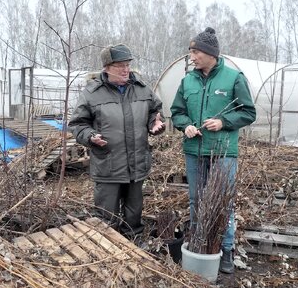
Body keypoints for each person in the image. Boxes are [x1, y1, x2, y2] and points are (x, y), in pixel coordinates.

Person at [170, 27, 256, 274]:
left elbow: (248, 112)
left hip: (223, 152)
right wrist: (185, 125)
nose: (192, 57)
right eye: (191, 52)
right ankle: (199, 244)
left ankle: (225, 249)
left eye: (195, 52)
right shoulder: (187, 81)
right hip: (194, 151)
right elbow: (177, 112)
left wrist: (223, 122)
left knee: (222, 202)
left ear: (210, 53)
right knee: (196, 200)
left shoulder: (233, 78)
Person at [69, 44, 165, 238]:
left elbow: (155, 112)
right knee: (107, 217)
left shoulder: (142, 89)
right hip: (109, 165)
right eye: (119, 65)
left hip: (137, 164)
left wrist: (155, 123)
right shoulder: (92, 93)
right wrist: (90, 136)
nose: (126, 69)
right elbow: (78, 124)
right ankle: (108, 252)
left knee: (134, 214)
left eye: (127, 64)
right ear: (106, 68)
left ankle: (134, 244)